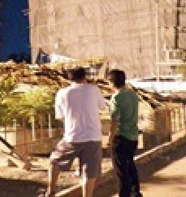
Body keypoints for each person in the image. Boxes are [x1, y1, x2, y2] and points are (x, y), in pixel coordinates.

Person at [42, 67, 106, 197]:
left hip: (73, 136)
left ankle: (50, 192)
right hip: (94, 136)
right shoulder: (94, 90)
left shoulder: (62, 93)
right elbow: (102, 107)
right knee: (89, 173)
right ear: (85, 76)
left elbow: (60, 116)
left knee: (55, 161)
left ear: (69, 78)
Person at [107, 69, 142, 197]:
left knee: (121, 170)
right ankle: (135, 191)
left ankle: (124, 194)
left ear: (111, 82)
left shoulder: (116, 98)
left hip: (121, 137)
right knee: (130, 164)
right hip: (133, 135)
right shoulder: (132, 95)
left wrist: (110, 139)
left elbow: (114, 121)